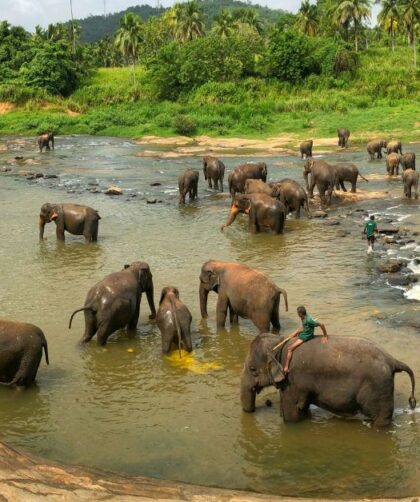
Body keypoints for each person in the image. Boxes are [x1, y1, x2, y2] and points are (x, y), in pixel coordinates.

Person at [283, 306, 328, 375]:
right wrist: (297, 332)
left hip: (306, 336)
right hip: (304, 332)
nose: (297, 314)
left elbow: (322, 324)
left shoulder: (309, 320)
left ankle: (286, 367)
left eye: (298, 313)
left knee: (290, 349)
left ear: (301, 313)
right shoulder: (303, 317)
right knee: (294, 334)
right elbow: (305, 327)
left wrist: (325, 335)